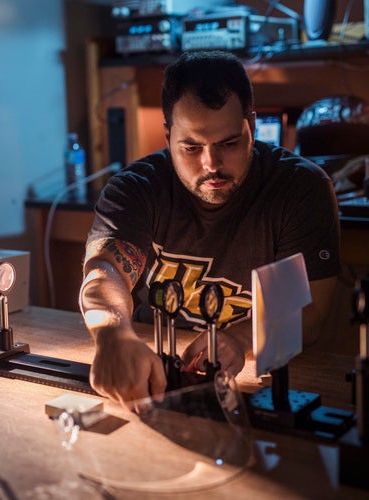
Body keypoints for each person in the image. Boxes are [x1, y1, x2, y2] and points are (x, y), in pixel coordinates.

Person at [79, 50, 340, 409]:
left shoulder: (298, 190)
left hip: (252, 391)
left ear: (251, 122)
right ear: (168, 135)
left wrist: (238, 339)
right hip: (152, 379)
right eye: (191, 146)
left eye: (229, 143)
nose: (211, 164)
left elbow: (308, 314)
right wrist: (112, 335)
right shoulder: (137, 188)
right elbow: (104, 271)